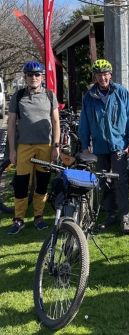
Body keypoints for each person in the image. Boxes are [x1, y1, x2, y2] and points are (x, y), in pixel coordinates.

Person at [79, 59, 129, 235]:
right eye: (99, 75)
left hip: (119, 144)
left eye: (105, 74)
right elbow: (84, 123)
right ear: (95, 77)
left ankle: (125, 218)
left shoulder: (120, 92)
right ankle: (110, 214)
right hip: (99, 146)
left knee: (121, 181)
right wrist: (84, 145)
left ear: (110, 75)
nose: (102, 78)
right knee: (103, 182)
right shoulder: (89, 96)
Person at [6, 60, 60, 235]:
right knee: (21, 184)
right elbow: (12, 123)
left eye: (37, 74)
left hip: (45, 146)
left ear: (42, 76)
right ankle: (18, 219)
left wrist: (56, 146)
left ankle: (39, 217)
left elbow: (56, 122)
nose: (34, 78)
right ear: (25, 77)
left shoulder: (50, 95)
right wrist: (12, 150)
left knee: (42, 183)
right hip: (24, 147)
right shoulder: (18, 95)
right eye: (30, 75)